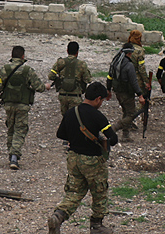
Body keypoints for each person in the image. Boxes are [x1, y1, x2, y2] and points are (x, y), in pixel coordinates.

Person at [47, 82, 118, 234]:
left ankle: (58, 216)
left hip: (73, 158)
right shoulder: (98, 116)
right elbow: (113, 138)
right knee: (99, 191)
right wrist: (102, 140)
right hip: (92, 160)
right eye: (102, 101)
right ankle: (96, 226)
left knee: (74, 192)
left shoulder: (71, 112)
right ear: (98, 99)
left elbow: (60, 134)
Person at [0, 45, 46, 170]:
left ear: (12, 56)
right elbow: (40, 87)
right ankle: (14, 156)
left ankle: (11, 154)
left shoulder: (4, 69)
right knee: (20, 130)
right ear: (23, 56)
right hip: (23, 105)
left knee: (11, 129)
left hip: (8, 105)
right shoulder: (28, 70)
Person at [106, 44, 145, 142]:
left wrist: (108, 89)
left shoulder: (115, 62)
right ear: (129, 53)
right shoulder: (129, 65)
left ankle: (125, 135)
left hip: (118, 92)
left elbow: (109, 76)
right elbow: (134, 82)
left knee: (126, 112)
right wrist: (140, 95)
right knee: (131, 115)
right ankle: (114, 128)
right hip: (127, 93)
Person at [46, 41, 92, 116]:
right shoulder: (81, 64)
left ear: (67, 51)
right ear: (77, 52)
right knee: (75, 119)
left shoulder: (60, 62)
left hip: (63, 95)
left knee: (65, 118)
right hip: (75, 96)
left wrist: (59, 80)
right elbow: (88, 79)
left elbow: (51, 76)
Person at [126, 30, 150, 98]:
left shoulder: (125, 47)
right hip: (135, 75)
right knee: (143, 94)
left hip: (125, 75)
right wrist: (146, 81)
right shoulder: (139, 50)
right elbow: (141, 68)